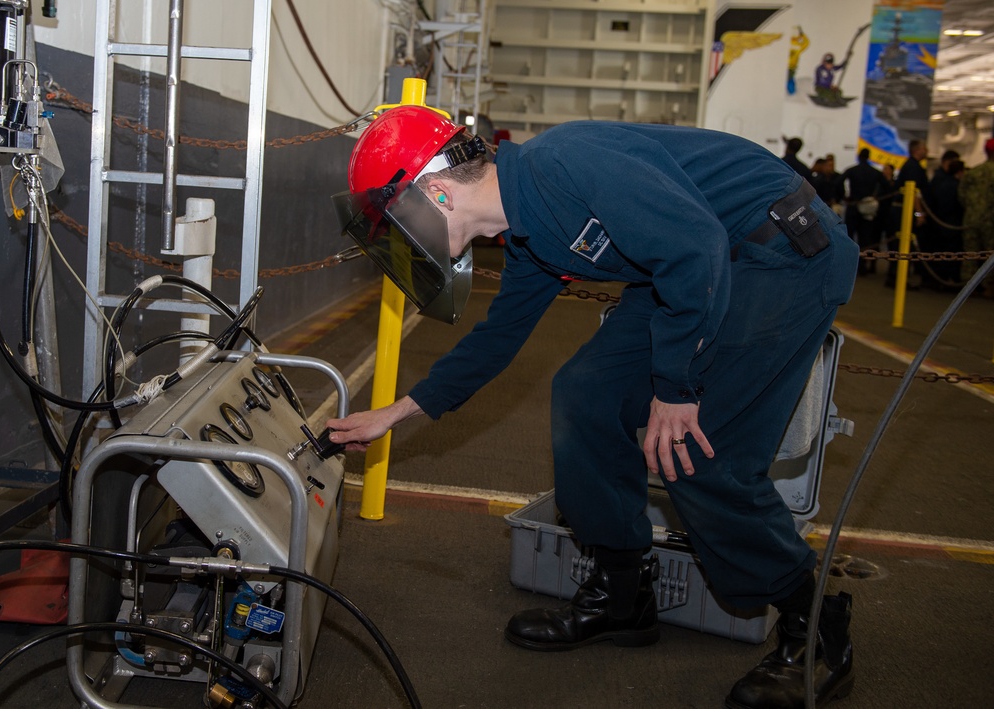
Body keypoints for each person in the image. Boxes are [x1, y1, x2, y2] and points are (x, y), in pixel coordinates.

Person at [328, 106, 859, 709]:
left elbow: (696, 246)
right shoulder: (529, 230)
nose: (400, 238)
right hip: (697, 266)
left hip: (779, 257)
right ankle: (623, 593)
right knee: (586, 392)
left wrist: (675, 390)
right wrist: (397, 413)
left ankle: (815, 631)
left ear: (438, 193)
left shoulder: (565, 165)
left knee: (699, 452)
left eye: (397, 220)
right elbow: (498, 338)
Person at [886, 139, 929, 287]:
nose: (927, 151)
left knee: (900, 245)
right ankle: (897, 278)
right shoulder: (913, 167)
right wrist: (919, 213)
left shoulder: (911, 165)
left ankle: (897, 277)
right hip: (903, 212)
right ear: (917, 150)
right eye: (924, 148)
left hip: (900, 211)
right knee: (902, 245)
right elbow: (913, 192)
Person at [841, 148, 888, 274]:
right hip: (868, 208)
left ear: (859, 156)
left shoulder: (852, 170)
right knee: (865, 238)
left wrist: (843, 196)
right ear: (868, 157)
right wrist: (876, 198)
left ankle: (848, 265)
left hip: (853, 206)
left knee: (849, 237)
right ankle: (862, 266)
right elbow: (887, 186)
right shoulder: (875, 173)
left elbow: (838, 182)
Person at [958, 138, 994, 297]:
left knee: (970, 253)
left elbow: (961, 195)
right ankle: (989, 287)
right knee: (990, 256)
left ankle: (968, 288)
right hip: (990, 221)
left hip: (970, 219)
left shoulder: (973, 172)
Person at [924, 153, 964, 288]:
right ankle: (944, 280)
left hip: (939, 223)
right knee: (949, 254)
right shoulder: (956, 186)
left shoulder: (939, 181)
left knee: (939, 252)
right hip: (951, 223)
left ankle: (937, 279)